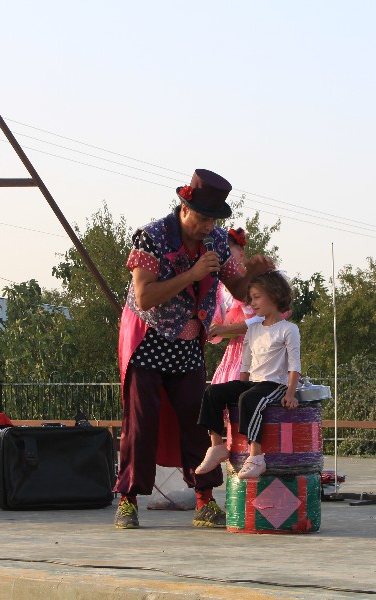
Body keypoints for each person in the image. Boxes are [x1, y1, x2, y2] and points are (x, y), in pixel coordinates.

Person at [115, 168, 274, 529]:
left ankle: (205, 500)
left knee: (199, 420)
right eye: (202, 217)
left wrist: (255, 274)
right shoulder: (151, 236)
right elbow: (145, 295)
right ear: (184, 208)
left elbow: (237, 288)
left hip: (187, 342)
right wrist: (193, 274)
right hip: (148, 338)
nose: (207, 226)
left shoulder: (217, 242)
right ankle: (127, 501)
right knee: (142, 421)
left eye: (213, 219)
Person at [195, 270, 301, 480]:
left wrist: (290, 393)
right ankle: (217, 446)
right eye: (251, 298)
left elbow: (294, 364)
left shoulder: (288, 329)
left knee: (249, 398)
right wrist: (237, 388)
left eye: (257, 297)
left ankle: (256, 455)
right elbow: (245, 363)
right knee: (213, 392)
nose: (252, 303)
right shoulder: (253, 329)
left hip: (275, 384)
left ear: (274, 295)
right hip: (254, 382)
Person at [207, 227, 264, 384]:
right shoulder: (218, 289)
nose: (224, 260)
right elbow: (217, 332)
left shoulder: (252, 283)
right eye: (220, 255)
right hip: (235, 351)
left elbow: (262, 320)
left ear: (241, 254)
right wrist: (212, 331)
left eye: (228, 255)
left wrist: (223, 330)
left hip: (257, 350)